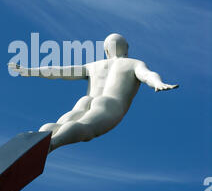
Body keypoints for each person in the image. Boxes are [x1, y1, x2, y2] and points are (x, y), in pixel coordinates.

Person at [9, 34, 179, 152]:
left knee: (61, 124)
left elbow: (59, 71)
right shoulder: (133, 63)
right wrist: (158, 83)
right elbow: (147, 75)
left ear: (106, 50)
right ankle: (51, 145)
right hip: (110, 103)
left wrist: (30, 70)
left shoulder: (93, 65)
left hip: (86, 100)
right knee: (85, 128)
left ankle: (39, 138)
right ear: (126, 48)